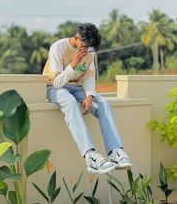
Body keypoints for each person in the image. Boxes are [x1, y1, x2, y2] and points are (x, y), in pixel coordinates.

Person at [43, 23, 132, 174]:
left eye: (90, 47)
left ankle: (115, 152)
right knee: (70, 103)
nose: (86, 49)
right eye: (84, 45)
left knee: (103, 102)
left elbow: (89, 77)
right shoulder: (58, 47)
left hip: (78, 87)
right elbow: (57, 82)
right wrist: (73, 65)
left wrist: (90, 95)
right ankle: (90, 156)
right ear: (77, 39)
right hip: (55, 87)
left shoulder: (90, 50)